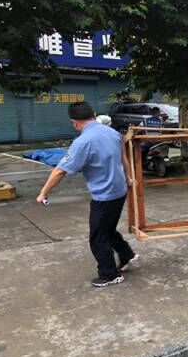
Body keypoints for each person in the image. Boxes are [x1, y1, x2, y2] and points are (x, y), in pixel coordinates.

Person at [36, 101, 140, 287]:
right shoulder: (113, 133)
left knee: (98, 237)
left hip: (104, 196)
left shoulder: (82, 142)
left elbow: (60, 171)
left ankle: (110, 275)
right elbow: (122, 158)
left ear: (74, 122)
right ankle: (127, 255)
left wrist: (43, 193)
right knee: (107, 229)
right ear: (93, 115)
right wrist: (129, 178)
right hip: (119, 191)